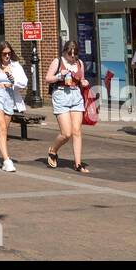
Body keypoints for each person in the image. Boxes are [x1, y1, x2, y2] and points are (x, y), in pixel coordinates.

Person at [46, 40, 89, 172]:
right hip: (61, 95)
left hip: (76, 95)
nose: (72, 57)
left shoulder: (79, 63)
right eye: (70, 54)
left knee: (77, 131)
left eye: (74, 54)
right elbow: (48, 78)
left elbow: (81, 80)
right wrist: (59, 75)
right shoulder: (57, 61)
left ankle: (78, 164)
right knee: (66, 133)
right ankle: (53, 150)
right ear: (64, 52)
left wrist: (84, 82)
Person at [0, 44, 28, 172]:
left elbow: (24, 82)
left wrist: (13, 80)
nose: (7, 56)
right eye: (4, 54)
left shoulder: (15, 66)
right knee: (2, 128)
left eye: (9, 53)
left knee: (4, 130)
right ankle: (7, 161)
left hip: (9, 97)